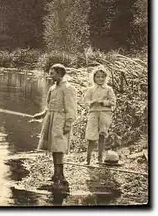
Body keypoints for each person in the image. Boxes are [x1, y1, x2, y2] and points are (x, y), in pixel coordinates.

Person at [32, 63, 77, 191]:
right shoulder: (52, 88)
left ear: (60, 74)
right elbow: (48, 106)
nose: (50, 76)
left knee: (59, 147)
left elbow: (72, 108)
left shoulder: (68, 88)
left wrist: (68, 123)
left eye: (52, 73)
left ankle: (61, 175)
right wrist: (41, 115)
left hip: (61, 121)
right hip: (50, 119)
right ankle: (55, 174)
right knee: (53, 147)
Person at [82, 66, 116, 165]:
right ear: (94, 78)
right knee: (91, 136)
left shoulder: (108, 89)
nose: (100, 79)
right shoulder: (90, 89)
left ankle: (100, 159)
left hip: (105, 113)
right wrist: (91, 102)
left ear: (106, 78)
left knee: (102, 135)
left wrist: (103, 102)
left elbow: (113, 101)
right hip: (93, 113)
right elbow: (85, 101)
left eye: (102, 77)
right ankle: (87, 160)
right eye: (98, 77)